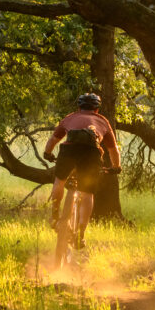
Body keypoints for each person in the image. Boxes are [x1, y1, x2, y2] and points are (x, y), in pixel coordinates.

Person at [43, 92, 121, 250]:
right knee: (87, 193)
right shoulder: (103, 121)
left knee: (59, 181)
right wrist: (116, 167)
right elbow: (113, 150)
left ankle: (55, 215)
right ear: (97, 109)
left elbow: (53, 140)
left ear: (78, 107)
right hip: (91, 155)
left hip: (68, 152)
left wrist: (48, 153)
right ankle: (81, 234)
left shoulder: (70, 118)